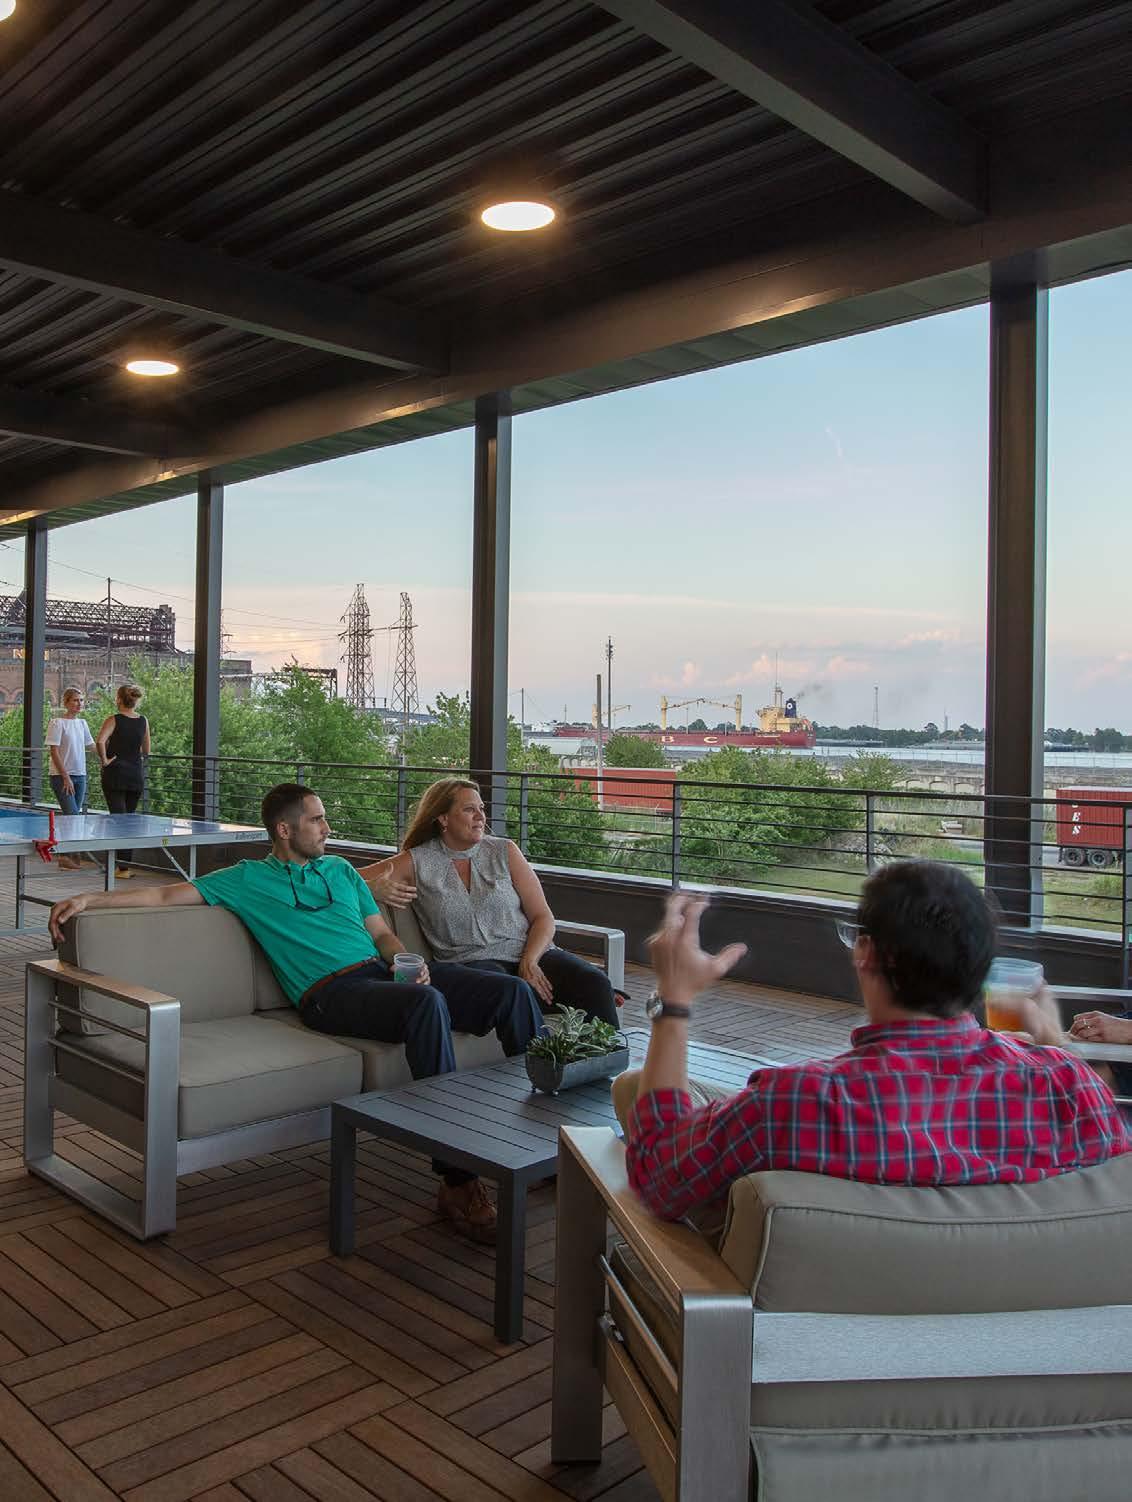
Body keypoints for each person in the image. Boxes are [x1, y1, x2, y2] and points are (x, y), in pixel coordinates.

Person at [48, 782, 544, 1244]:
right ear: (285, 830)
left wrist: (401, 960)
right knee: (426, 1004)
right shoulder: (247, 880)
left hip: (380, 974)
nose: (327, 828)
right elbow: (161, 894)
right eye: (317, 820)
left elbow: (380, 933)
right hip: (328, 994)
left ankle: (538, 1137)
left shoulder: (342, 872)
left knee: (511, 992)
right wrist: (90, 897)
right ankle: (457, 1179)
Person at [625, 862, 1129, 1222]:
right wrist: (1047, 1047)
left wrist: (674, 999)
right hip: (1029, 1335)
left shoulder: (796, 1104)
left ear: (866, 952)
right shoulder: (1072, 1087)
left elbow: (657, 1174)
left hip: (798, 1335)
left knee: (637, 1092)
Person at [364, 777, 620, 1027]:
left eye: (481, 808)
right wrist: (373, 887)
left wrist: (529, 961)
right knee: (514, 990)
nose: (480, 816)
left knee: (594, 982)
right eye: (469, 809)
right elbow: (347, 877)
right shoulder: (417, 861)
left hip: (532, 953)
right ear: (443, 818)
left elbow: (543, 917)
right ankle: (538, 1054)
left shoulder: (504, 851)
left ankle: (608, 1056)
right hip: (470, 965)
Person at [96, 683, 150, 879]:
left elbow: (100, 741)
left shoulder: (114, 719)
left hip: (115, 773)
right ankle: (124, 868)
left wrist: (105, 760)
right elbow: (147, 750)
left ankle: (118, 866)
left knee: (117, 820)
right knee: (128, 821)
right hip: (135, 775)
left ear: (118, 699)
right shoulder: (143, 721)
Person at [46, 687, 95, 871]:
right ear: (66, 702)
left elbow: (91, 745)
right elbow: (54, 752)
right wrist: (65, 777)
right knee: (72, 816)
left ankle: (70, 857)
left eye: (81, 700)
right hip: (61, 777)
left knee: (74, 817)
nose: (79, 703)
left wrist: (108, 755)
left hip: (80, 775)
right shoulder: (57, 723)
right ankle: (66, 856)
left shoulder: (82, 723)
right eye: (75, 700)